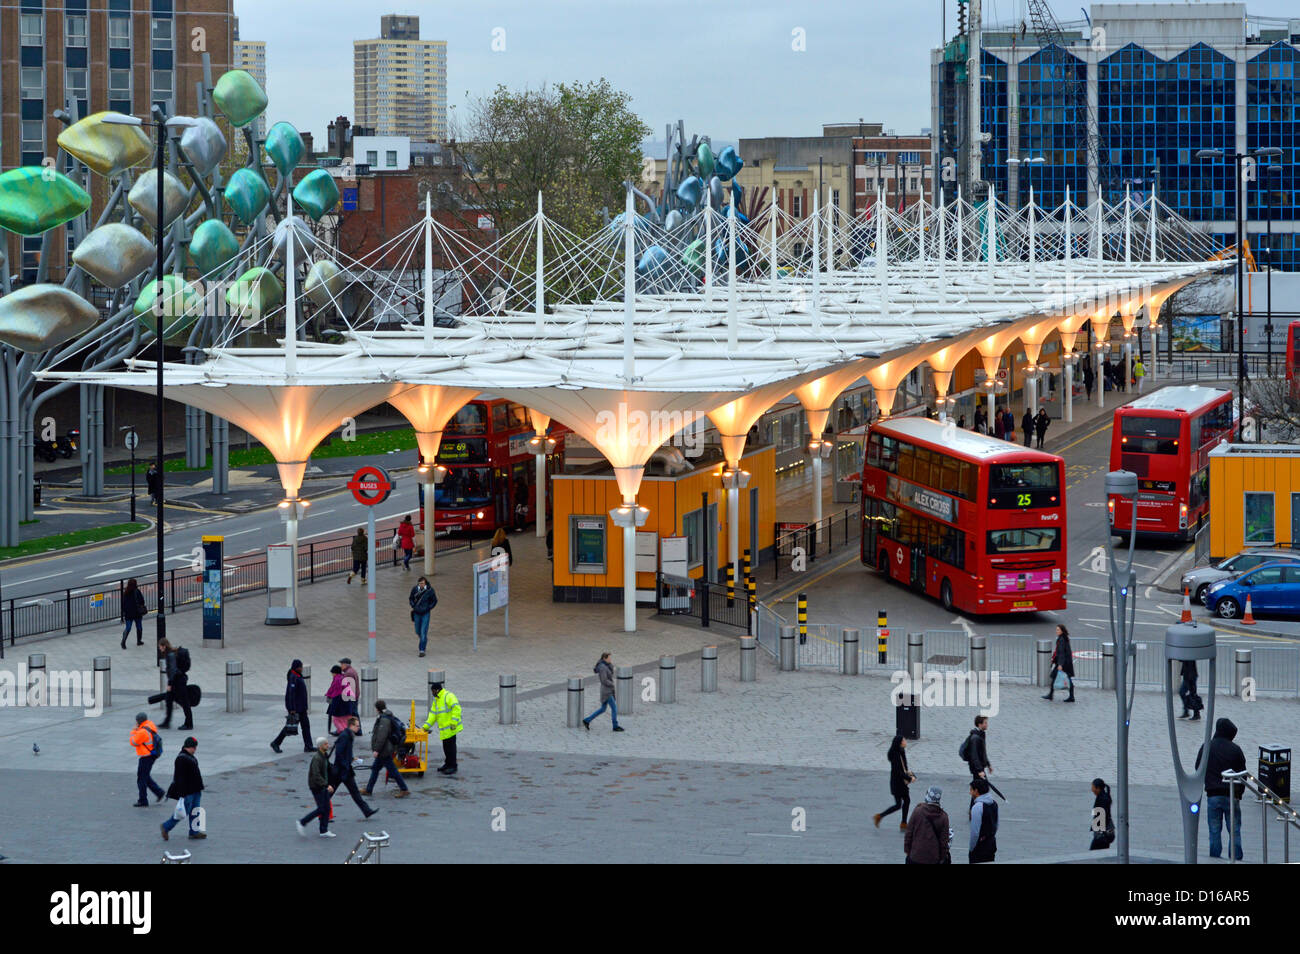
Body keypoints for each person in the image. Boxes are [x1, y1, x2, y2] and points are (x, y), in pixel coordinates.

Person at [1196, 718, 1247, 860]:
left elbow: (1198, 767)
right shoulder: (1236, 750)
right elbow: (1243, 774)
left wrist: (1208, 781)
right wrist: (1239, 794)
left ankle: (1214, 857)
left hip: (1213, 794)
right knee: (1234, 829)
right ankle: (1236, 857)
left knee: (1214, 829)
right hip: (1231, 795)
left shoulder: (1207, 746)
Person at [331, 715, 378, 819]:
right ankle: (320, 810)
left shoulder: (349, 735)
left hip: (344, 771)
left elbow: (344, 753)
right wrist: (346, 764)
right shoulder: (345, 736)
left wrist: (352, 759)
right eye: (357, 726)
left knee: (355, 792)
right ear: (351, 726)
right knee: (331, 792)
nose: (359, 728)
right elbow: (339, 753)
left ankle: (367, 811)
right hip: (341, 771)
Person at [362, 700, 410, 798]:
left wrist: (377, 750)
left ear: (377, 709)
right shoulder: (386, 716)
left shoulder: (384, 720)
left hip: (384, 750)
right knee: (375, 769)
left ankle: (404, 789)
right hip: (385, 749)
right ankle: (368, 789)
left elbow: (382, 736)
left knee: (393, 771)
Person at [161, 736, 204, 841]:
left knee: (195, 811)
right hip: (188, 791)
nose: (195, 749)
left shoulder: (189, 756)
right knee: (182, 813)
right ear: (190, 747)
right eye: (194, 747)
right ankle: (166, 826)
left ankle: (194, 832)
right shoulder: (181, 759)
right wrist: (182, 793)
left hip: (196, 790)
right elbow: (179, 777)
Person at [873, 734, 915, 830]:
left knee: (902, 803)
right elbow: (898, 771)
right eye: (904, 740)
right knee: (902, 803)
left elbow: (904, 767)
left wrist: (909, 774)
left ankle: (882, 817)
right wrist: (909, 779)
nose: (905, 741)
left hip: (898, 782)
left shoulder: (901, 751)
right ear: (900, 743)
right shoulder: (896, 755)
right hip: (898, 783)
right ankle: (901, 822)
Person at [297, 737, 336, 837]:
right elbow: (316, 774)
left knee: (326, 808)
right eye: (325, 744)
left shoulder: (324, 756)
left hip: (321, 785)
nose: (328, 745)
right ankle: (302, 822)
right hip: (317, 786)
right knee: (322, 808)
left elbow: (327, 769)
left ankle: (324, 830)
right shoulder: (317, 758)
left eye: (327, 743)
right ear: (320, 746)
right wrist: (326, 785)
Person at [271, 659, 313, 753]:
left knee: (305, 726)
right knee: (290, 726)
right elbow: (290, 694)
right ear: (297, 667)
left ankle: (308, 746)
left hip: (301, 707)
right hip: (297, 708)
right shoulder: (293, 677)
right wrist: (292, 709)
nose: (302, 668)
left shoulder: (297, 675)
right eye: (300, 667)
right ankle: (276, 743)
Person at [422, 680, 462, 775]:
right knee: (446, 747)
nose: (432, 693)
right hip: (444, 730)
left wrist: (453, 722)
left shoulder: (448, 696)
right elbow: (433, 715)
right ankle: (448, 764)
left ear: (436, 690)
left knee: (451, 748)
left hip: (451, 728)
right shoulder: (437, 700)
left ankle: (453, 766)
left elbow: (457, 709)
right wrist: (425, 727)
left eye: (432, 691)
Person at [903, 786, 951, 864]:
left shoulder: (918, 811)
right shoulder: (943, 817)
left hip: (915, 855)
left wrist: (907, 850)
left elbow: (909, 832)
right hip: (933, 858)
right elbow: (944, 840)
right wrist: (942, 857)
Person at [129, 712, 165, 806]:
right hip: (151, 755)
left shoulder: (142, 732)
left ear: (139, 721)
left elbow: (133, 742)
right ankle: (159, 792)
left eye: (136, 721)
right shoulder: (149, 725)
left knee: (141, 779)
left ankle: (143, 800)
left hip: (146, 757)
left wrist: (134, 731)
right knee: (145, 776)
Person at [582, 652, 624, 732]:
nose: (610, 659)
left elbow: (610, 673)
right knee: (614, 708)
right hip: (607, 691)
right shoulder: (602, 668)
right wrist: (612, 684)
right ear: (604, 658)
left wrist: (610, 665)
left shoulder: (606, 666)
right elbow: (604, 680)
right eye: (609, 658)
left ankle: (587, 720)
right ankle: (615, 726)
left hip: (607, 690)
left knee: (603, 709)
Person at [157, 638, 192, 731]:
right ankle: (167, 722)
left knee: (185, 702)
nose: (159, 649)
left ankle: (189, 723)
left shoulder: (170, 655)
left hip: (178, 681)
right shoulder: (172, 653)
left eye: (160, 647)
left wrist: (169, 684)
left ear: (164, 646)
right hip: (178, 680)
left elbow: (172, 671)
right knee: (169, 700)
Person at [969, 777, 999, 863]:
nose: (970, 792)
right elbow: (996, 824)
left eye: (971, 790)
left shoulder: (977, 807)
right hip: (991, 843)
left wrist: (972, 848)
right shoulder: (994, 803)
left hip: (980, 847)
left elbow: (975, 832)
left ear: (976, 791)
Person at [1042, 623, 1076, 702]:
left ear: (1062, 631)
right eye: (1056, 629)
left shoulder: (1061, 640)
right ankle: (1051, 694)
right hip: (1065, 662)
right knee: (1055, 677)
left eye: (1058, 630)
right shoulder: (1064, 638)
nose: (1056, 631)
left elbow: (1061, 653)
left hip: (1063, 663)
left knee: (1067, 679)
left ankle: (1071, 696)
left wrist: (1060, 664)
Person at [409, 576, 438, 657]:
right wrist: (413, 606)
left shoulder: (430, 590)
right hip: (417, 612)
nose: (420, 585)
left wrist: (429, 608)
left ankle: (422, 650)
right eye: (419, 583)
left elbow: (434, 601)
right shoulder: (415, 589)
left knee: (423, 631)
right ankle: (423, 639)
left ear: (425, 583)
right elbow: (411, 598)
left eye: (422, 583)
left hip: (425, 613)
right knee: (417, 630)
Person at [963, 715, 992, 784]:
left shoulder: (981, 735)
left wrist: (988, 765)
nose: (987, 725)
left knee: (980, 789)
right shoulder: (975, 738)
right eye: (985, 723)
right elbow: (974, 756)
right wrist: (979, 771)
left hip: (979, 767)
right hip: (977, 769)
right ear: (980, 724)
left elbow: (982, 752)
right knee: (981, 789)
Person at [120, 578, 147, 649]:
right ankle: (139, 641)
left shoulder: (125, 592)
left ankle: (123, 642)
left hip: (128, 614)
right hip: (137, 613)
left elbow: (123, 604)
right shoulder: (137, 591)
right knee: (139, 627)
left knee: (128, 628)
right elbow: (142, 601)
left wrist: (124, 612)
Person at [1090, 778, 1115, 850]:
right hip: (1106, 833)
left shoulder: (1102, 799)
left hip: (1103, 834)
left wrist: (1099, 834)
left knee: (1094, 852)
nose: (1092, 789)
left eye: (1093, 787)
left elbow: (1100, 817)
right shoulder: (1104, 796)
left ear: (1097, 788)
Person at [325, 664, 348, 736]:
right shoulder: (342, 677)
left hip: (337, 699)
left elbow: (334, 689)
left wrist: (328, 695)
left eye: (332, 673)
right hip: (344, 699)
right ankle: (341, 730)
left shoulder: (337, 679)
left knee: (336, 717)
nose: (332, 674)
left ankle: (341, 730)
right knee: (342, 716)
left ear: (335, 672)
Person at [339, 658, 360, 725]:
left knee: (353, 713)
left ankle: (356, 729)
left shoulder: (348, 673)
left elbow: (347, 687)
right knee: (354, 713)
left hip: (351, 697)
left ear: (345, 665)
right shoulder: (351, 671)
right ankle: (356, 729)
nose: (340, 666)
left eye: (341, 664)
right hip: (354, 696)